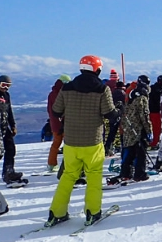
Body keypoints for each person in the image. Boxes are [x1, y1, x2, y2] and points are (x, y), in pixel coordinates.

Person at [47, 55, 120, 227]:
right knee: (94, 176)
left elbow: (56, 111)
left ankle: (56, 212)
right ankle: (92, 212)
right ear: (97, 69)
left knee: (68, 176)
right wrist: (119, 110)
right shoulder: (102, 89)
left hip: (71, 142)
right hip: (93, 141)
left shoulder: (67, 87)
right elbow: (110, 115)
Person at [120, 84, 152, 181]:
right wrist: (149, 130)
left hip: (129, 129)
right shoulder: (142, 99)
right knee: (140, 152)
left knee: (130, 151)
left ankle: (125, 173)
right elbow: (144, 116)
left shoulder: (130, 98)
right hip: (138, 129)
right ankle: (139, 174)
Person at [0, 75, 21, 183]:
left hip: (4, 125)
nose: (5, 88)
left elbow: (9, 110)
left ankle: (9, 172)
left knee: (10, 148)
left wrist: (13, 125)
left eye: (8, 86)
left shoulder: (6, 95)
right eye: (3, 85)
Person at [46, 74, 71, 172]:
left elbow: (49, 110)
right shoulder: (62, 93)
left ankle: (51, 164)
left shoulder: (52, 94)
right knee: (68, 145)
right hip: (64, 123)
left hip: (55, 124)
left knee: (56, 143)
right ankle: (68, 164)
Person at [147, 75, 162, 149]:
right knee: (156, 128)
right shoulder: (154, 89)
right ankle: (154, 142)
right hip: (154, 111)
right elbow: (154, 100)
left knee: (158, 128)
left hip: (158, 111)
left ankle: (156, 141)